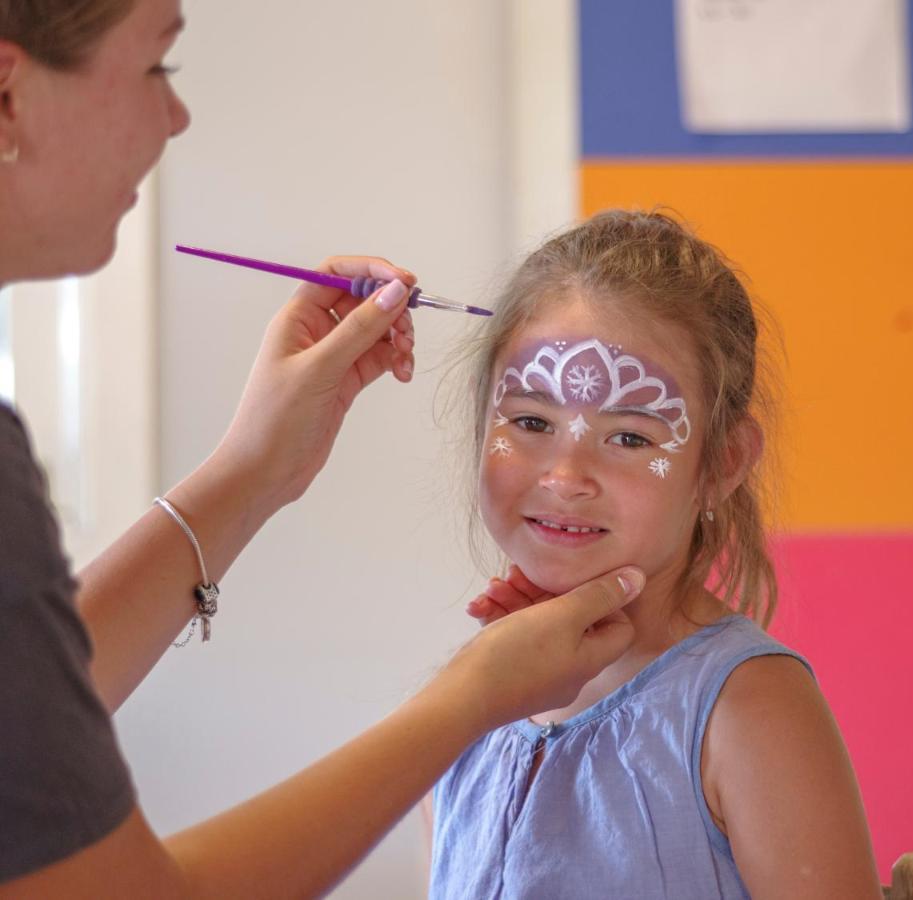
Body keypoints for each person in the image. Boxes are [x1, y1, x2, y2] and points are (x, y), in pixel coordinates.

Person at [0, 0, 645, 895]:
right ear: (7, 92)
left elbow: (22, 708)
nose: (177, 116)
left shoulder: (746, 702)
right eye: (159, 68)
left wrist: (256, 466)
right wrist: (467, 702)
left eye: (629, 432)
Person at [428, 210, 883, 898]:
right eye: (529, 422)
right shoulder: (473, 693)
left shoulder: (748, 708)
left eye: (632, 438)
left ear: (721, 463)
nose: (564, 476)